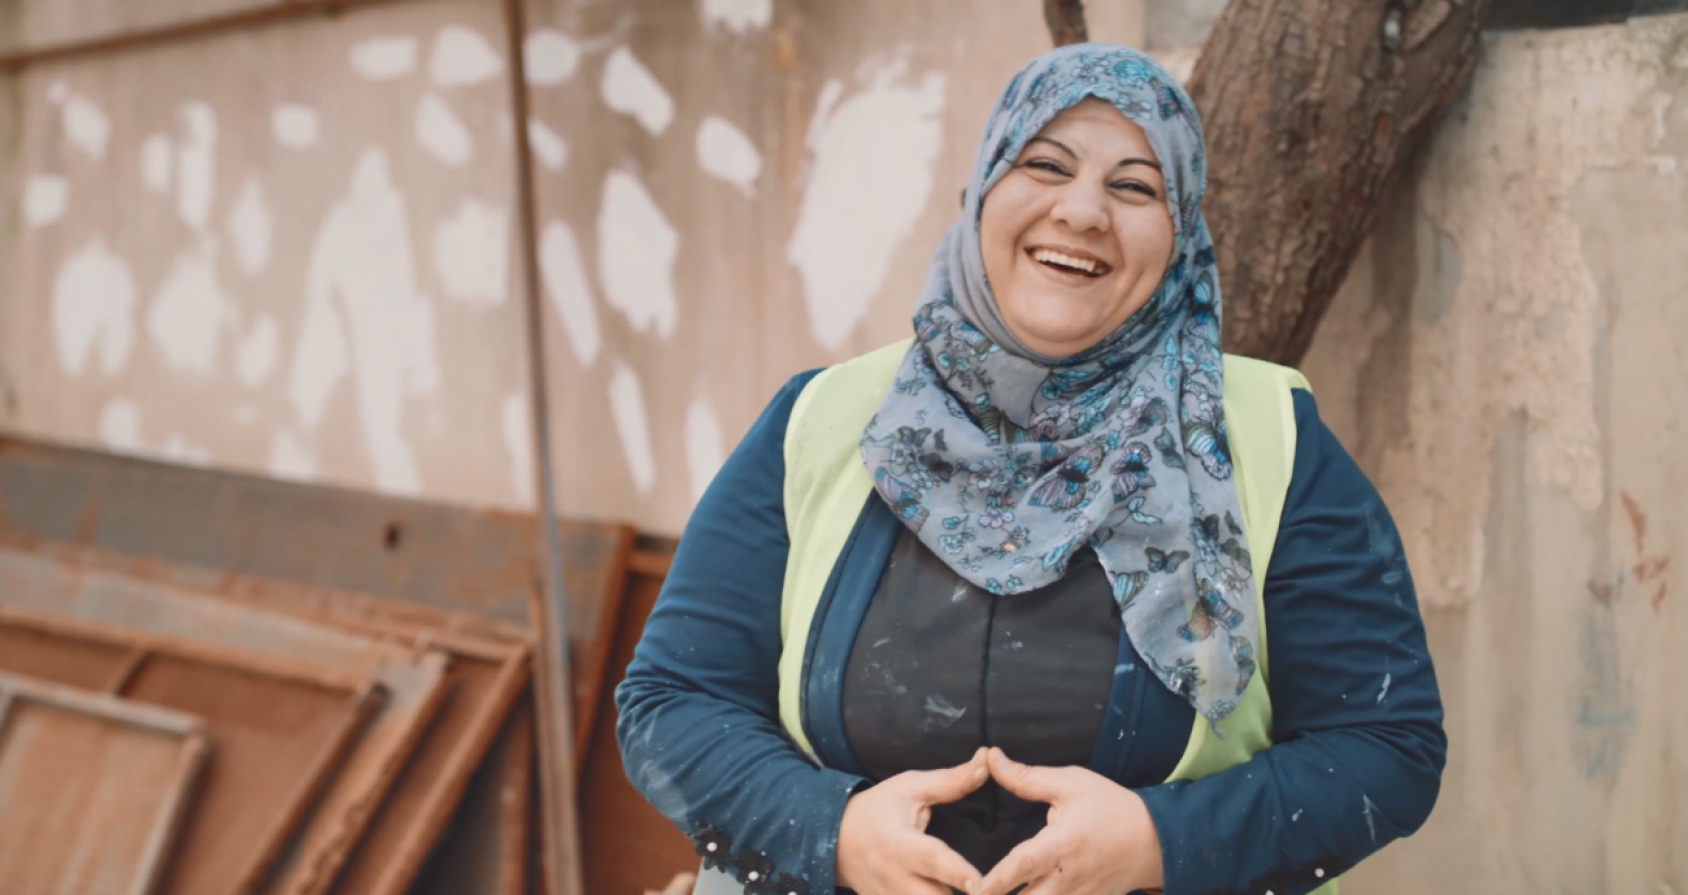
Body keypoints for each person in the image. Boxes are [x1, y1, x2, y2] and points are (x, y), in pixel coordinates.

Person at [617, 43, 1445, 895]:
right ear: (980, 195)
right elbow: (672, 700)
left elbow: (1387, 744)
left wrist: (1163, 842)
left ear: (1183, 231)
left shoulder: (1270, 434)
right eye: (1045, 164)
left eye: (1134, 185)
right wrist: (832, 831)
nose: (1083, 212)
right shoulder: (822, 419)